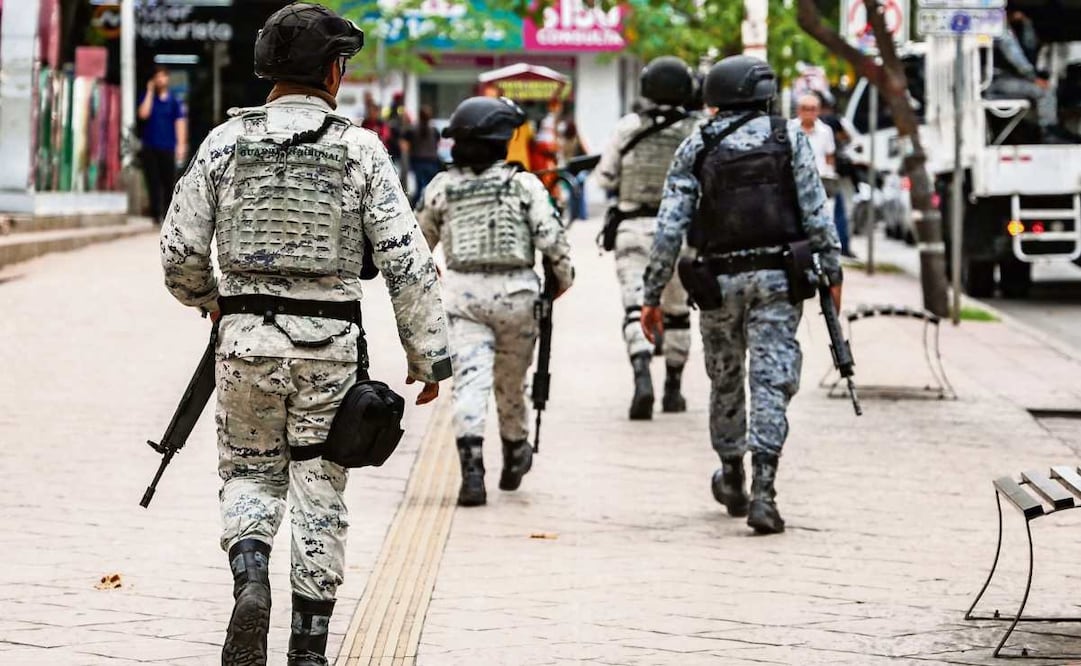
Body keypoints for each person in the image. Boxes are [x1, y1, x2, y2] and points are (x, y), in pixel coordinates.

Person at [160, 4, 452, 665]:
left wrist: (213, 302)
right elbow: (406, 259)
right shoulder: (360, 148)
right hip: (331, 349)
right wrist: (428, 357)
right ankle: (309, 648)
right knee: (319, 486)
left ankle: (251, 575)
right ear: (331, 71)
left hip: (243, 347)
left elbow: (179, 251)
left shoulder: (221, 144)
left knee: (248, 476)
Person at [640, 56, 843, 535]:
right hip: (777, 279)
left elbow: (669, 227)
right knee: (771, 381)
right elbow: (817, 212)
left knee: (726, 377)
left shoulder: (698, 144)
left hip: (717, 282)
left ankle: (732, 476)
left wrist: (650, 294)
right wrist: (832, 271)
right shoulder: (788, 137)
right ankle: (765, 491)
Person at [416, 96, 575, 507]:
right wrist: (562, 278)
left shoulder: (442, 187)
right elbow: (552, 239)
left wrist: (426, 276)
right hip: (517, 295)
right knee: (511, 382)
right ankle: (515, 448)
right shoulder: (523, 185)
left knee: (470, 381)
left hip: (462, 294)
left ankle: (472, 471)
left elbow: (417, 245)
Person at [595, 56, 699, 420]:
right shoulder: (695, 130)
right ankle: (673, 389)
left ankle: (641, 375)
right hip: (680, 233)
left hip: (632, 230)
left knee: (635, 307)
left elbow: (605, 178)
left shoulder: (627, 127)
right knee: (677, 311)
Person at [987, 10, 1080, 143]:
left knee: (1046, 88)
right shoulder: (999, 30)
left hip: (1002, 79)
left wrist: (1026, 23)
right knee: (1044, 91)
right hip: (997, 80)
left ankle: (1052, 129)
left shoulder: (1009, 30)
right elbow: (1015, 56)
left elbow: (1029, 43)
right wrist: (1033, 78)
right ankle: (1049, 133)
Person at [137, 66, 187, 224]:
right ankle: (155, 214)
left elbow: (180, 123)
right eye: (157, 77)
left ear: (167, 79)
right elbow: (143, 114)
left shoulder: (174, 101)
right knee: (152, 181)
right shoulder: (147, 97)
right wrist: (150, 92)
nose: (160, 80)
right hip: (150, 146)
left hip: (168, 146)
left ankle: (168, 213)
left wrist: (181, 144)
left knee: (168, 182)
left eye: (163, 76)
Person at [403, 105, 442, 208]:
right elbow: (437, 144)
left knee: (419, 189)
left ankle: (415, 208)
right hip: (431, 162)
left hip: (418, 162)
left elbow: (406, 146)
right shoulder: (434, 130)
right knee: (432, 188)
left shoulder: (412, 130)